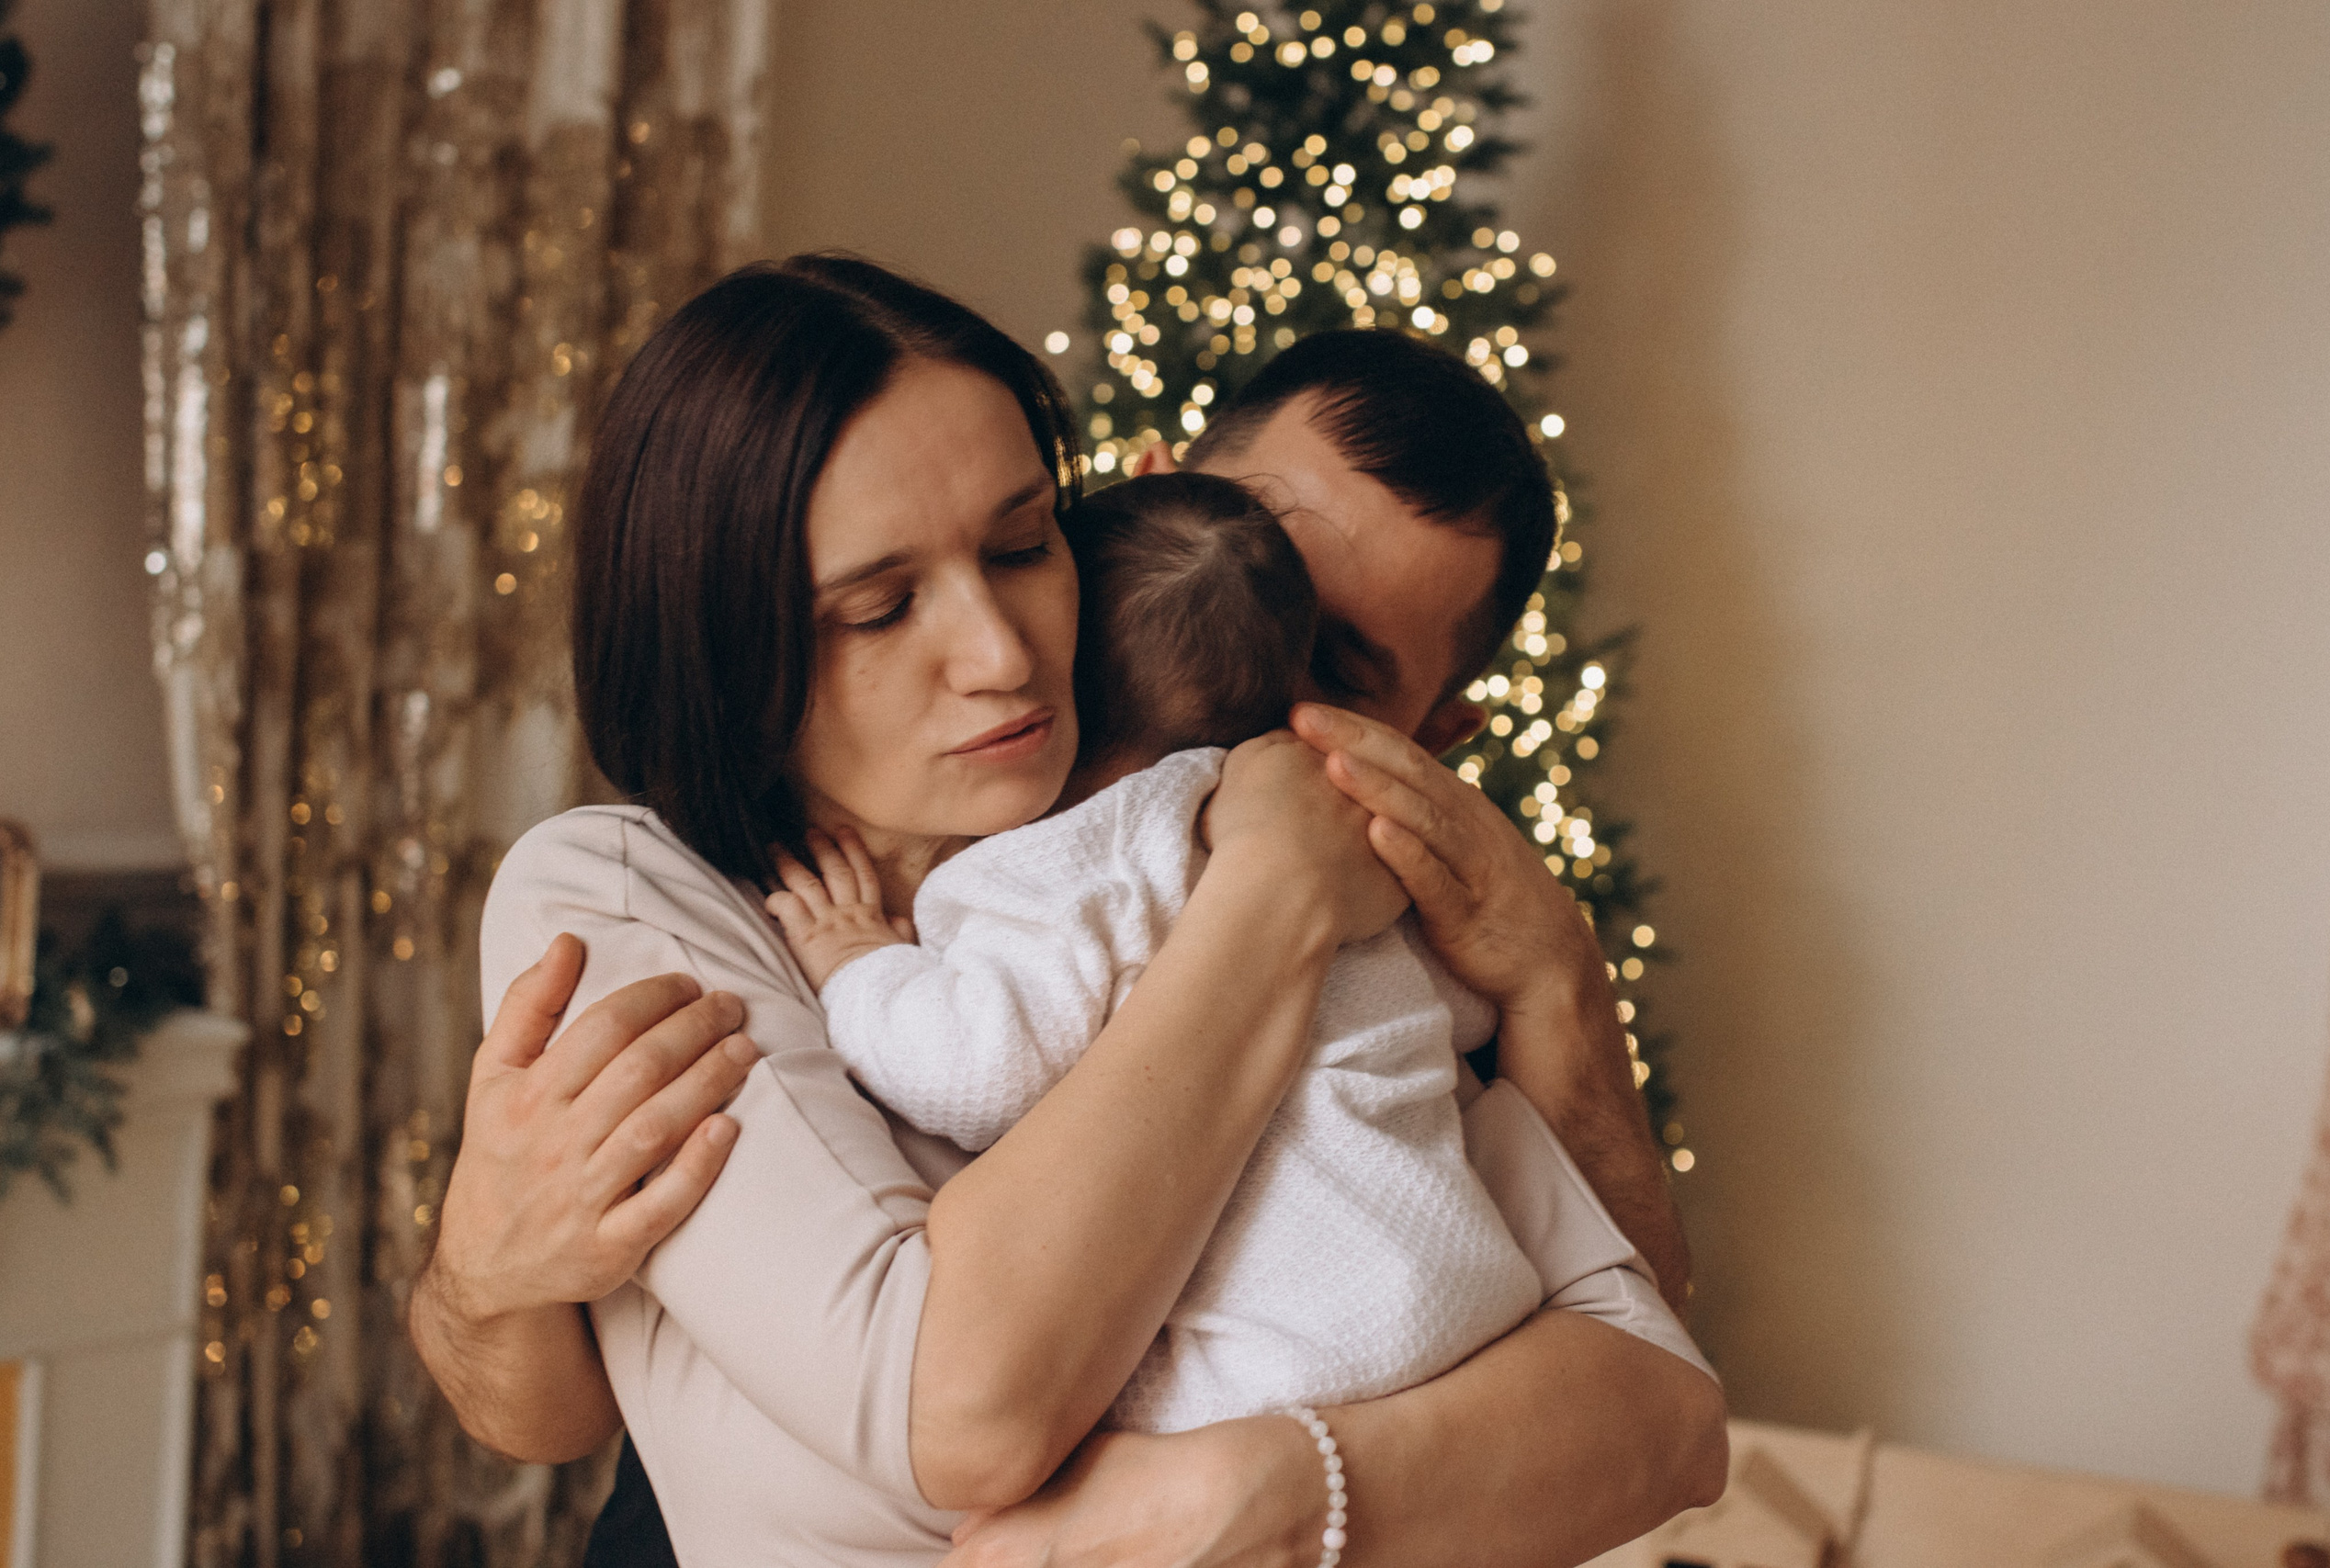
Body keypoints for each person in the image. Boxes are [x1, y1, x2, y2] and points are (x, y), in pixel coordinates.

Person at [410, 258, 1724, 1566]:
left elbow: (1660, 1409)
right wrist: (475, 1285)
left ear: (1433, 734)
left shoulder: (1393, 913)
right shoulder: (659, 897)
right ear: (1146, 507)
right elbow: (573, 1401)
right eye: (879, 605)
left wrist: (1556, 977)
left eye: (1017, 545)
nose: (1231, 682)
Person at [776, 469, 1631, 1437]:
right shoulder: (1361, 849)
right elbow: (1460, 1015)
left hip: (1279, 1363)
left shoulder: (1048, 864)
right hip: (1474, 1296)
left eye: (1344, 673)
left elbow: (976, 1070)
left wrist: (857, 967)